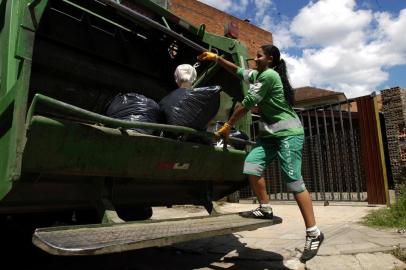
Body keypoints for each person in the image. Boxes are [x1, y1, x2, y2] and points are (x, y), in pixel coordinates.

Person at [198, 45, 324, 262]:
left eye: (259, 55)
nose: (254, 58)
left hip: (288, 134)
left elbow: (246, 104)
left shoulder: (269, 76)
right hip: (270, 135)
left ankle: (314, 232)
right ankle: (265, 208)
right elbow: (237, 71)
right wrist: (217, 58)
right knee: (252, 165)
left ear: (271, 59)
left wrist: (228, 125)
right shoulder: (258, 74)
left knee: (293, 180)